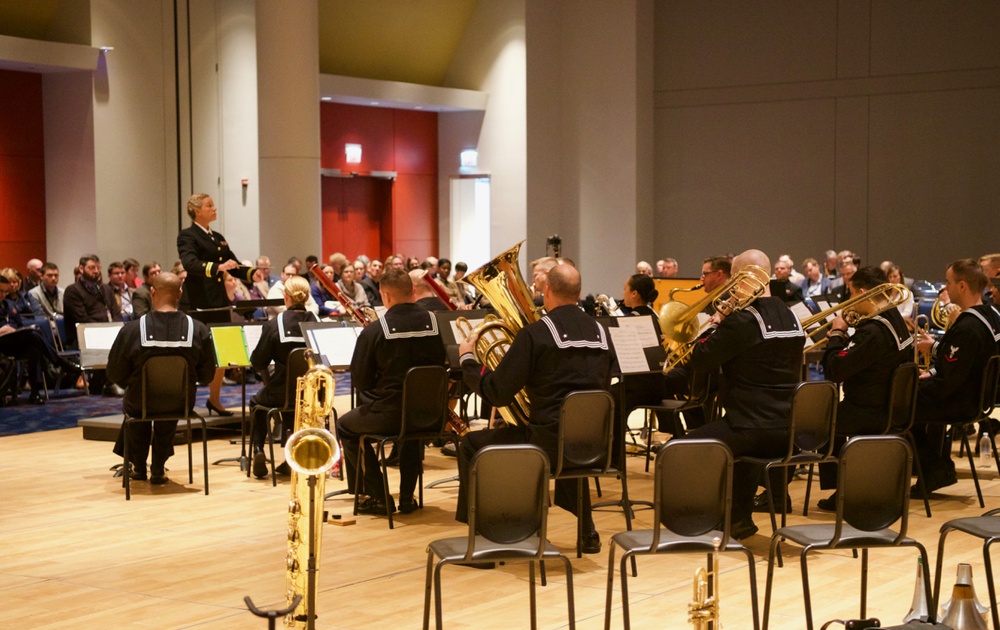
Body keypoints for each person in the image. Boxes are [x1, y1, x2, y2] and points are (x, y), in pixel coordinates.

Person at [456, 263, 613, 553]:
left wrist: (468, 360)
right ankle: (587, 531)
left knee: (470, 444)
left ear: (547, 290)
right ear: (578, 293)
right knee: (567, 433)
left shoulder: (535, 334)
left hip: (546, 446)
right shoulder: (602, 334)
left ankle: (483, 538)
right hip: (592, 446)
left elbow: (497, 392)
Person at [676, 249, 805, 540]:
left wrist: (719, 318)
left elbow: (701, 358)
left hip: (752, 427)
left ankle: (690, 520)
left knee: (680, 448)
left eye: (733, 278)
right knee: (739, 437)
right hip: (790, 428)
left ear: (744, 277)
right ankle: (737, 519)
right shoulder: (791, 316)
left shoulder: (743, 320)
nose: (730, 286)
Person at [334, 269, 447, 515]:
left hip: (389, 416)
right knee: (411, 423)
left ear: (385, 296)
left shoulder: (375, 330)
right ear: (413, 291)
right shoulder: (436, 324)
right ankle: (407, 496)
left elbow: (360, 381)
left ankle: (378, 496)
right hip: (429, 415)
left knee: (345, 426)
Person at [815, 265, 912, 509]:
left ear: (861, 292)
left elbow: (834, 371)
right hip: (892, 408)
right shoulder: (895, 319)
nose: (848, 300)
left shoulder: (872, 331)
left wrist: (837, 334)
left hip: (868, 410)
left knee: (819, 421)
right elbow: (866, 358)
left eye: (849, 294)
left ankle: (844, 492)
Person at [108, 272, 216, 484]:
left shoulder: (132, 330)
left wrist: (132, 382)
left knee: (137, 399)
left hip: (140, 403)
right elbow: (207, 375)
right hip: (181, 404)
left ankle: (138, 466)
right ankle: (158, 466)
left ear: (152, 292)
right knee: (170, 400)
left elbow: (115, 373)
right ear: (180, 294)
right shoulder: (199, 329)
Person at [911, 259, 1000, 495]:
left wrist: (913, 387)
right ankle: (935, 470)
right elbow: (968, 357)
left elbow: (946, 384)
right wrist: (936, 349)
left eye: (948, 282)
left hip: (963, 401)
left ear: (962, 286)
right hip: (981, 398)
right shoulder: (992, 314)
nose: (945, 288)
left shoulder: (967, 326)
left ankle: (936, 470)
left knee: (901, 407)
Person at [177, 193, 256, 415]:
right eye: (209, 205)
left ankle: (214, 399)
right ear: (196, 210)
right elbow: (190, 264)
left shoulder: (218, 237)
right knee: (195, 353)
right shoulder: (187, 236)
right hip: (198, 302)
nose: (214, 208)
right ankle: (187, 403)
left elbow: (233, 263)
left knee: (221, 352)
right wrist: (218, 268)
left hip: (219, 302)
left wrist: (252, 274)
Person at [249, 276, 318, 478]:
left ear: (286, 297)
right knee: (294, 408)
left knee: (256, 403)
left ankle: (258, 450)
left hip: (281, 393)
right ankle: (294, 455)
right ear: (306, 297)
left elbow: (258, 362)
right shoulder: (317, 321)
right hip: (312, 395)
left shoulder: (274, 325)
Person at [1, 275, 81, 404]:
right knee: (33, 336)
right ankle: (59, 361)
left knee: (35, 349)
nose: (4, 295)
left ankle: (35, 392)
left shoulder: (9, 305)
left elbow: (19, 324)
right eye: (1, 291)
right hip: (1, 344)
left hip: (13, 341)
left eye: (6, 291)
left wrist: (16, 331)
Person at [63, 254, 122, 395]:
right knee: (107, 343)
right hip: (82, 335)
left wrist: (116, 328)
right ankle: (106, 383)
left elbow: (116, 313)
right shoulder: (73, 291)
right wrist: (104, 331)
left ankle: (112, 382)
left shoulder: (106, 289)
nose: (96, 271)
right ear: (81, 268)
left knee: (124, 339)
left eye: (97, 268)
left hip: (105, 333)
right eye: (91, 268)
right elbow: (82, 318)